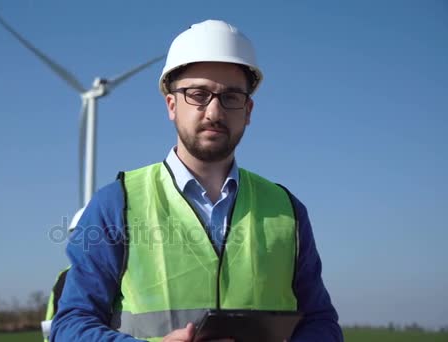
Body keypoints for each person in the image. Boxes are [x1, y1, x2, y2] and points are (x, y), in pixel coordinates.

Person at [50, 19, 343, 342]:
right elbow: (71, 325)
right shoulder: (116, 203)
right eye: (198, 94)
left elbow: (321, 323)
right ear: (171, 105)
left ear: (248, 110)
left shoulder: (287, 210)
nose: (214, 111)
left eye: (231, 97)